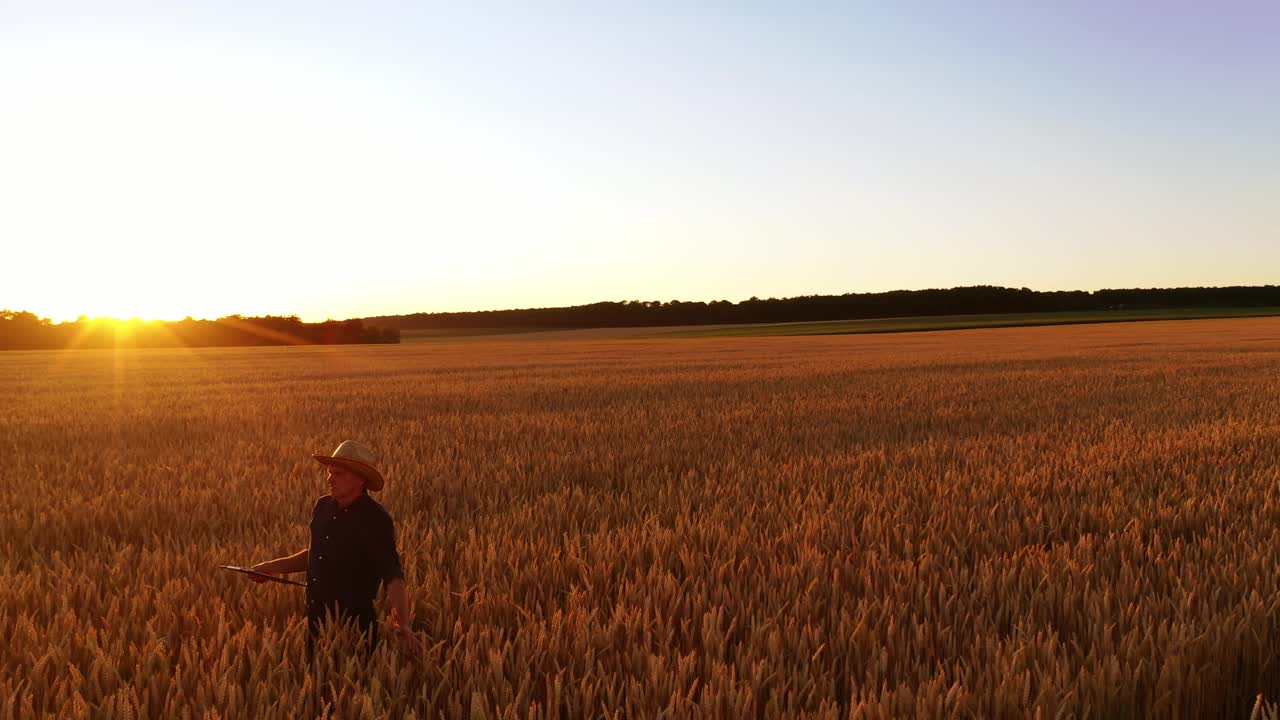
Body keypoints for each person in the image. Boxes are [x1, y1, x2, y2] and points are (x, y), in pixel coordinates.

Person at [251, 440, 419, 656]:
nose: (329, 479)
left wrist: (403, 623)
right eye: (329, 473)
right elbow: (316, 554)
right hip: (315, 622)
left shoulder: (375, 519)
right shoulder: (322, 507)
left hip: (355, 631)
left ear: (360, 479)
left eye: (338, 474)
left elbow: (393, 574)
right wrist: (271, 567)